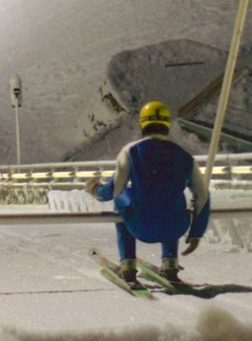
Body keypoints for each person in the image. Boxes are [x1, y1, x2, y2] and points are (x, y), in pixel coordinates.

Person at [85, 101, 210, 286]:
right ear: (167, 125)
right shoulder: (184, 156)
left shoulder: (131, 151)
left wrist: (95, 189)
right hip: (176, 227)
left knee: (122, 200)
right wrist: (196, 233)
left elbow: (113, 191)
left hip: (141, 226)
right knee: (171, 199)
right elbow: (203, 196)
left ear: (143, 124)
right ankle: (170, 262)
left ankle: (127, 264)